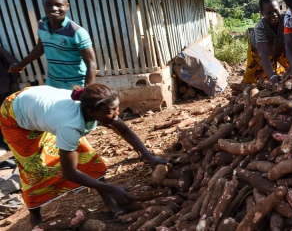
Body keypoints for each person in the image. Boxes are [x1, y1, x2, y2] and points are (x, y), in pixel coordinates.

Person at [0, 83, 167, 226]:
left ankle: (110, 204)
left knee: (87, 157)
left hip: (37, 104)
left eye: (117, 107)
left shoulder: (91, 108)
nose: (117, 113)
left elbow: (124, 129)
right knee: (35, 168)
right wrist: (112, 188)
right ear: (92, 113)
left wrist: (148, 156)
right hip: (15, 116)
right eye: (111, 111)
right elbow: (69, 172)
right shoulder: (70, 126)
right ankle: (35, 218)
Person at [8, 0, 97, 89]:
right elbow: (39, 48)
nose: (53, 8)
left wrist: (85, 91)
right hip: (52, 83)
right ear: (43, 5)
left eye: (59, 5)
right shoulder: (42, 25)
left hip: (75, 86)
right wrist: (20, 64)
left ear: (67, 6)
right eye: (48, 4)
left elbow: (91, 63)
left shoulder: (77, 32)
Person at [242, 0, 292, 84]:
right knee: (254, 77)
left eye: (276, 10)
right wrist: (272, 75)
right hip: (259, 48)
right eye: (269, 12)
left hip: (278, 44)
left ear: (280, 8)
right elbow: (263, 55)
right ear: (262, 13)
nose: (274, 15)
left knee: (291, 64)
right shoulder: (260, 27)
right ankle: (244, 90)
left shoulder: (285, 19)